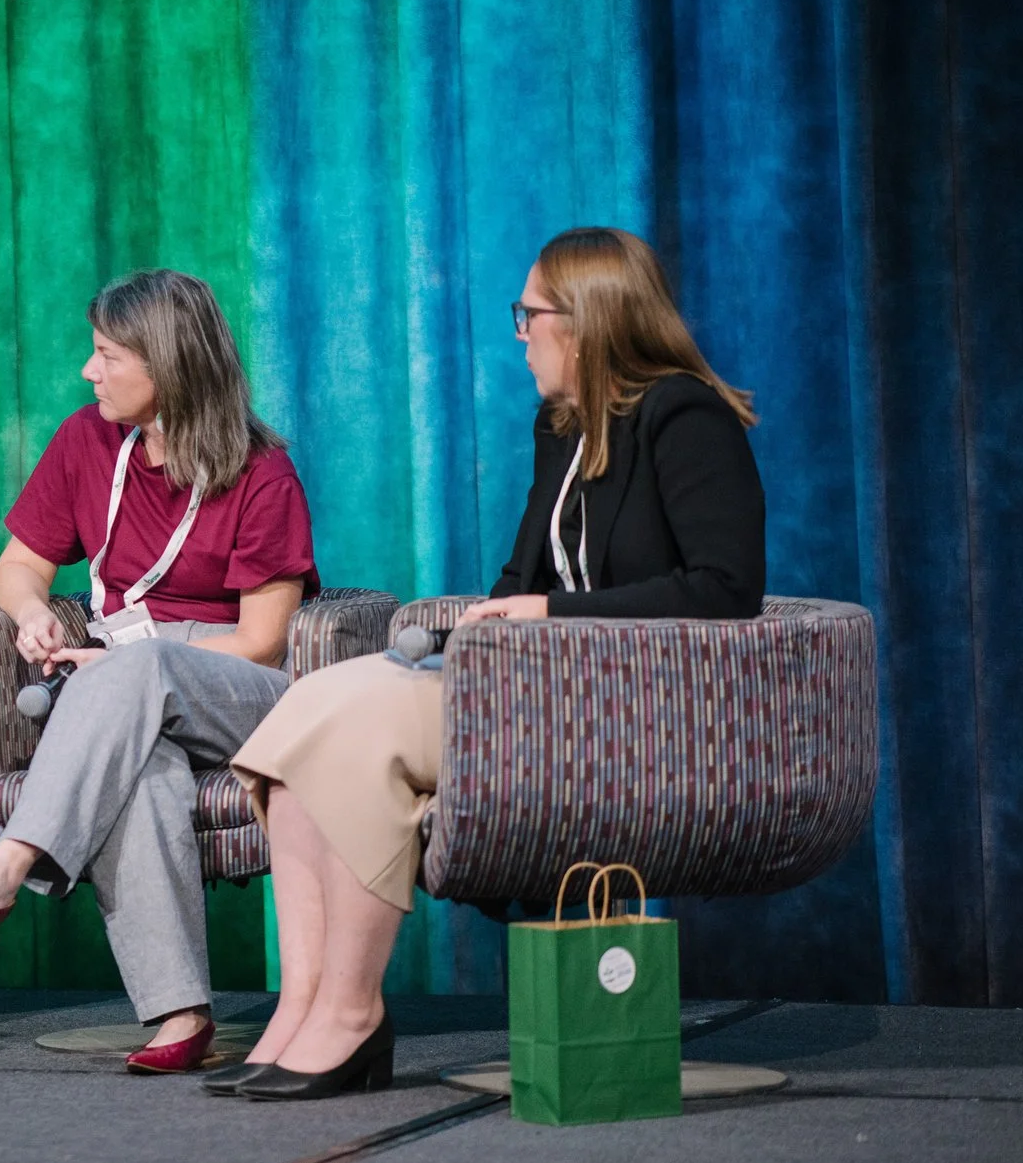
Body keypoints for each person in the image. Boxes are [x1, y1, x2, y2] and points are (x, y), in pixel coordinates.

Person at [221, 226, 763, 1101]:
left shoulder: (684, 415)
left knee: (359, 731)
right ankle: (305, 1003)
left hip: (624, 709)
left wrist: (547, 613)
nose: (520, 334)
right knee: (315, 704)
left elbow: (724, 589)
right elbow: (524, 575)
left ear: (583, 321)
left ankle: (353, 1013)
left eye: (529, 314)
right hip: (533, 687)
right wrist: (485, 619)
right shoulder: (563, 426)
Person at [0, 269, 318, 1074]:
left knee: (139, 669)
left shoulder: (263, 473)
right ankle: (181, 1014)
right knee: (144, 772)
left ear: (167, 362)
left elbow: (263, 641)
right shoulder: (87, 441)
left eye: (107, 355)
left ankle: (11, 863)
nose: (88, 371)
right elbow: (17, 567)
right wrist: (31, 611)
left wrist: (138, 659)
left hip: (240, 690)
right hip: (125, 686)